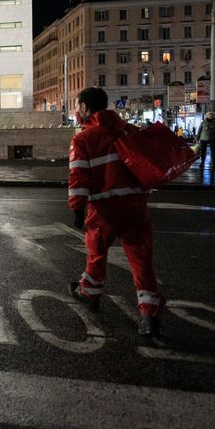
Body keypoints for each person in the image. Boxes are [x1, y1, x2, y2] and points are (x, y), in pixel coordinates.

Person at [68, 86, 164, 337]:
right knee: (141, 261)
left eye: (78, 106)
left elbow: (79, 176)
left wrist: (77, 208)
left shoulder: (83, 139)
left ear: (86, 108)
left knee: (96, 253)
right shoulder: (129, 131)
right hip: (135, 206)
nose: (77, 111)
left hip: (104, 209)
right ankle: (149, 314)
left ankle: (90, 292)